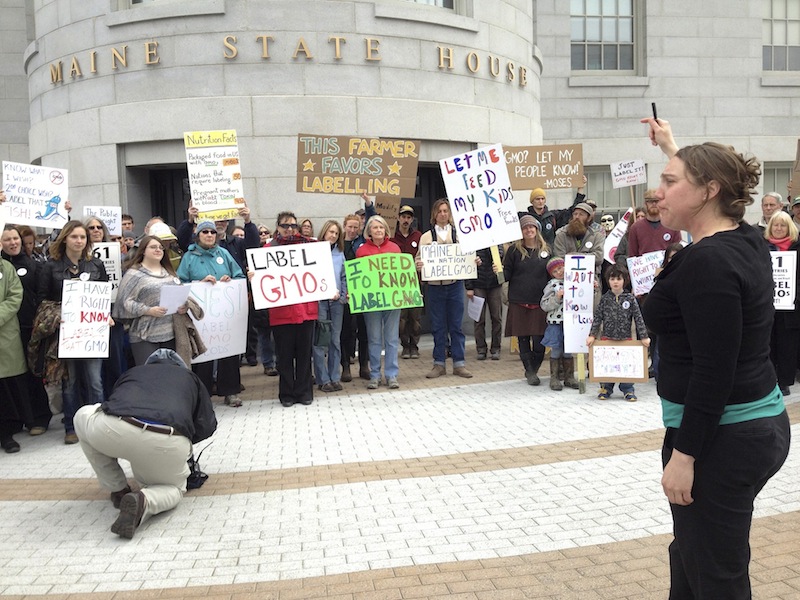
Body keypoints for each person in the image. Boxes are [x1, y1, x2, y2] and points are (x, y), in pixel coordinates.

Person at [641, 116, 791, 598]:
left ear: (706, 191)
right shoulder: (742, 238)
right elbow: (709, 188)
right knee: (693, 553)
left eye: (669, 180)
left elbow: (714, 370)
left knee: (717, 574)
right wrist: (672, 147)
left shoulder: (709, 262)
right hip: (753, 424)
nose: (658, 191)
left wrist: (685, 455)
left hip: (720, 440)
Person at [73, 348, 217, 539]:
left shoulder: (133, 372)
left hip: (114, 429)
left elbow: (113, 402)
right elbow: (206, 425)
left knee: (83, 415)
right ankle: (145, 500)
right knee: (173, 489)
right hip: (165, 438)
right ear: (180, 367)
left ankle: (118, 489)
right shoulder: (190, 378)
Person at [36, 220, 110, 444]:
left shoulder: (96, 265)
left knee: (95, 381)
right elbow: (42, 300)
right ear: (65, 238)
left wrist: (107, 315)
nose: (79, 241)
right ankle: (71, 426)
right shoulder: (51, 266)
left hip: (92, 333)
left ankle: (98, 426)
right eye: (75, 236)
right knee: (70, 382)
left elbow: (105, 295)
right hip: (66, 334)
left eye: (83, 237)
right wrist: (58, 315)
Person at [177, 219, 245, 408]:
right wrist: (199, 283)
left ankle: (230, 391)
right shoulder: (189, 257)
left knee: (228, 354)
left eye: (212, 232)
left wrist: (229, 280)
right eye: (205, 232)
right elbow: (180, 282)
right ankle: (203, 394)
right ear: (197, 235)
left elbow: (239, 276)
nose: (209, 235)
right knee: (202, 356)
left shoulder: (223, 253)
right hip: (200, 316)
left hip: (223, 314)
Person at [1, 225, 51, 435]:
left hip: (30, 326)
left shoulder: (33, 264)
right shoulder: (3, 267)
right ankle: (16, 418)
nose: (13, 243)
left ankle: (38, 417)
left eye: (15, 239)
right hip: (7, 330)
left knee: (33, 373)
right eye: (7, 240)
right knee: (12, 377)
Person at [416, 199, 473, 379]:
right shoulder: (426, 237)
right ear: (434, 214)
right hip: (435, 288)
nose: (443, 214)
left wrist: (473, 261)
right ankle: (439, 363)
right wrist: (419, 264)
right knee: (438, 326)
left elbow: (469, 256)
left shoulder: (460, 234)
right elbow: (419, 259)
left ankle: (459, 363)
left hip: (454, 285)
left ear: (450, 213)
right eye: (439, 211)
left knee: (456, 326)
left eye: (446, 211)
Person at [267, 212, 319, 407]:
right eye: (285, 226)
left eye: (293, 226)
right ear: (277, 227)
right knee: (284, 356)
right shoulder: (268, 250)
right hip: (281, 313)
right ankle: (287, 393)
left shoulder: (309, 246)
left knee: (305, 354)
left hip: (306, 311)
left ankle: (305, 392)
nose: (289, 229)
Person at [114, 235, 188, 366]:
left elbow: (181, 295)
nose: (158, 250)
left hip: (170, 334)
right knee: (149, 378)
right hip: (144, 336)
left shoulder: (170, 273)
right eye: (153, 247)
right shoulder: (134, 274)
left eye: (161, 247)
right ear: (143, 250)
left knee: (170, 374)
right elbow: (123, 303)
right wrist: (148, 310)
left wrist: (183, 306)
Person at [499, 214, 550, 385]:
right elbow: (506, 275)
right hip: (519, 300)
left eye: (531, 227)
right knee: (523, 340)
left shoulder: (546, 250)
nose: (529, 230)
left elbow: (553, 273)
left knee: (539, 341)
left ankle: (533, 369)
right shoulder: (513, 251)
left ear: (537, 229)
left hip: (540, 302)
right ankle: (529, 371)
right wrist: (497, 270)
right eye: (525, 227)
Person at [586, 265, 650, 401]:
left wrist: (644, 336)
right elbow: (597, 318)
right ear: (608, 280)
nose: (615, 282)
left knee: (625, 365)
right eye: (612, 278)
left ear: (624, 280)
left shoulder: (630, 299)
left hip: (625, 339)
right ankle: (605, 388)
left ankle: (628, 389)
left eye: (619, 279)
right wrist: (592, 335)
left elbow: (638, 318)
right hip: (606, 338)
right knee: (606, 365)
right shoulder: (604, 299)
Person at [356, 215, 402, 389]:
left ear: (385, 230)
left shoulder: (395, 248)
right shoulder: (361, 251)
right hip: (372, 302)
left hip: (392, 300)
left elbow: (401, 275)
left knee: (391, 339)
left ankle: (391, 375)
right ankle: (375, 374)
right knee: (374, 338)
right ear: (369, 231)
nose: (378, 230)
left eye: (381, 227)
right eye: (375, 228)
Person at [341, 195, 377, 381]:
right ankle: (345, 366)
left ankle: (364, 365)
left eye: (357, 227)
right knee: (346, 331)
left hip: (363, 292)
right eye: (350, 227)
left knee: (364, 330)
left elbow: (373, 219)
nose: (353, 230)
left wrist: (368, 203)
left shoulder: (363, 242)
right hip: (344, 294)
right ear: (345, 226)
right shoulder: (338, 244)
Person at [763, 212, 799, 395]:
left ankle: (784, 381)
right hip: (766, 306)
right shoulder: (762, 247)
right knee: (767, 344)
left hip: (790, 307)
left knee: (787, 346)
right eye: (775, 225)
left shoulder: (797, 248)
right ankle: (768, 380)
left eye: (783, 225)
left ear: (789, 228)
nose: (778, 228)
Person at [0, 256, 31, 453]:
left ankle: (6, 434)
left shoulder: (6, 267)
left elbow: (14, 296)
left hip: (4, 332)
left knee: (4, 388)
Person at [313, 220, 347, 392]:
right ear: (324, 232)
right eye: (330, 232)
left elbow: (344, 277)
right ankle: (322, 379)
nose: (333, 235)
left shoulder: (340, 253)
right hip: (319, 302)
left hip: (336, 303)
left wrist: (342, 297)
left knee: (335, 340)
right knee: (320, 341)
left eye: (336, 233)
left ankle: (335, 377)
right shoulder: (313, 251)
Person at [553, 201, 605, 304]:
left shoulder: (597, 236)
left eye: (581, 214)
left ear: (589, 218)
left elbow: (598, 257)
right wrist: (587, 257)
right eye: (575, 214)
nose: (577, 217)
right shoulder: (561, 235)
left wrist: (573, 256)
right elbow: (559, 258)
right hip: (566, 281)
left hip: (591, 281)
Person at [540, 257, 579, 391]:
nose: (559, 272)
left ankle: (569, 377)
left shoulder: (575, 280)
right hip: (556, 322)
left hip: (571, 321)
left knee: (568, 349)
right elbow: (544, 304)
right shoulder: (552, 285)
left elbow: (583, 295)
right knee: (556, 349)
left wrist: (593, 288)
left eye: (560, 268)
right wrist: (556, 298)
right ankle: (554, 378)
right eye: (555, 271)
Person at [391, 205, 422, 359]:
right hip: (397, 284)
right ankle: (405, 346)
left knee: (415, 317)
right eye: (403, 217)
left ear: (412, 220)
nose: (406, 220)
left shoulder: (418, 236)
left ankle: (414, 346)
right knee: (402, 318)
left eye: (409, 217)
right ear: (398, 218)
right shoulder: (391, 237)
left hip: (415, 282)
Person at [521, 177, 587, 246]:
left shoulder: (552, 216)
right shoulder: (525, 217)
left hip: (549, 252)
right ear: (532, 201)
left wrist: (580, 189)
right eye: (537, 199)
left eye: (542, 199)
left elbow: (572, 211)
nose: (540, 201)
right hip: (530, 252)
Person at [465, 244, 504, 361]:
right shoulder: (471, 241)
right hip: (478, 284)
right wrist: (469, 287)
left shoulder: (495, 241)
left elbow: (501, 256)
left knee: (497, 317)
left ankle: (496, 348)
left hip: (495, 283)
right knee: (478, 319)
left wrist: (492, 248)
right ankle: (481, 349)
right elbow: (467, 264)